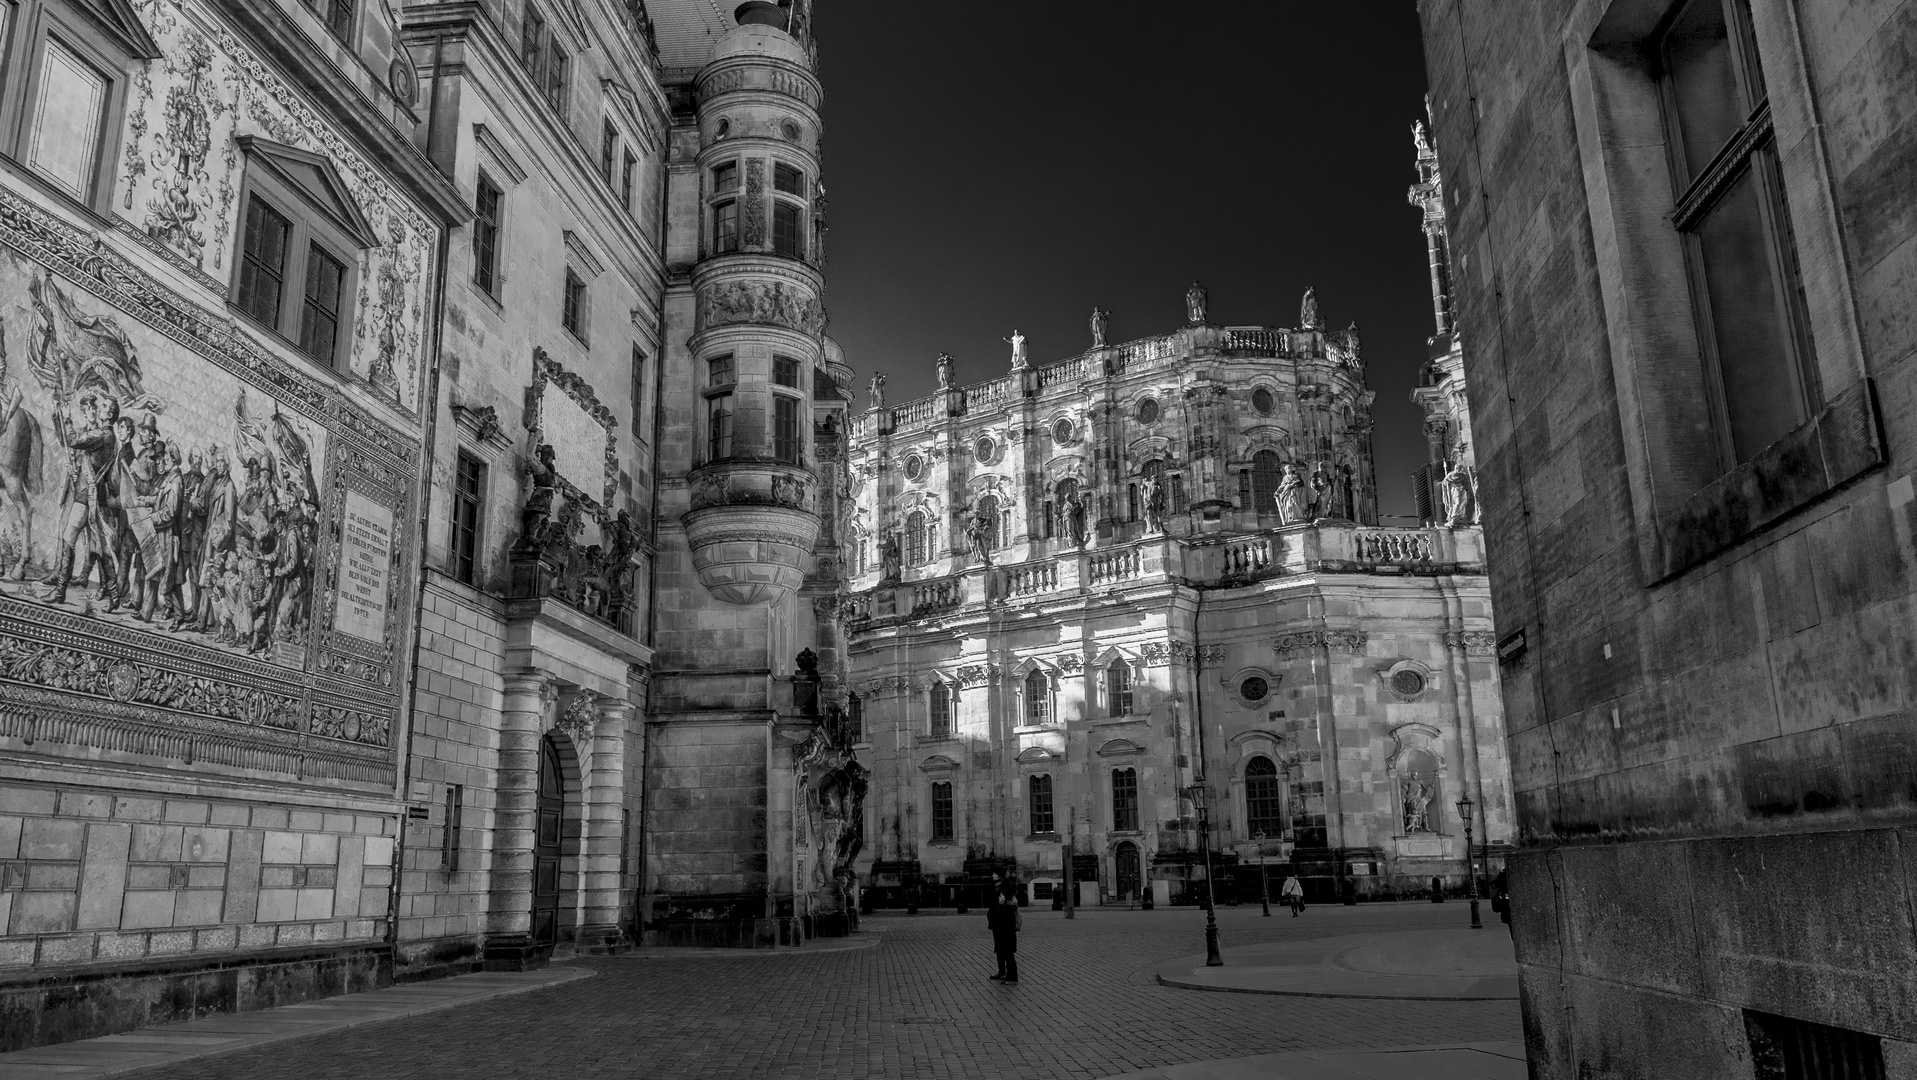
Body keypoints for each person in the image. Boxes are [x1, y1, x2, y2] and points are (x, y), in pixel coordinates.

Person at [986, 879, 1021, 984]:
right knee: (1002, 950)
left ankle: (1012, 977)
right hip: (1000, 927)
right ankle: (1005, 973)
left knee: (1008, 952)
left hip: (1005, 928)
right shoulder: (1003, 896)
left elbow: (1005, 914)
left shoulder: (1007, 898)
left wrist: (1001, 905)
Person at [1492, 868, 1512, 936]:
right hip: (1510, 900)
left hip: (1506, 901)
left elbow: (1495, 885)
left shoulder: (1504, 874)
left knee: (1510, 923)